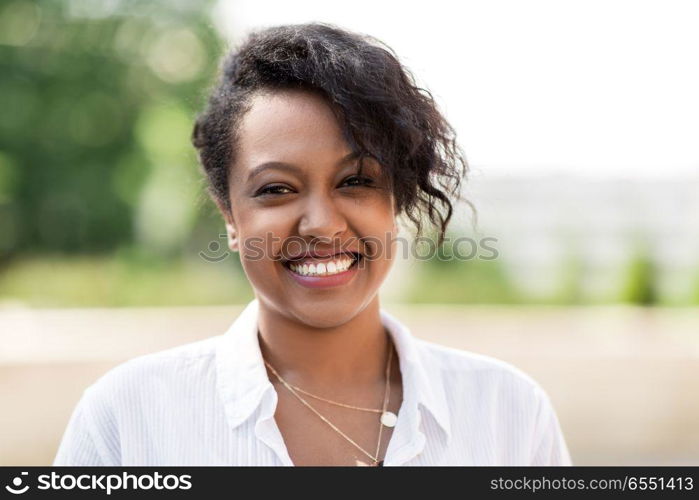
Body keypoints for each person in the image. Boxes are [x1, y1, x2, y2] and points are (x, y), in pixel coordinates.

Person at [53, 22, 572, 466]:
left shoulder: (509, 412)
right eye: (276, 189)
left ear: (394, 201)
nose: (321, 225)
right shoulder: (128, 417)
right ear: (230, 218)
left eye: (356, 181)